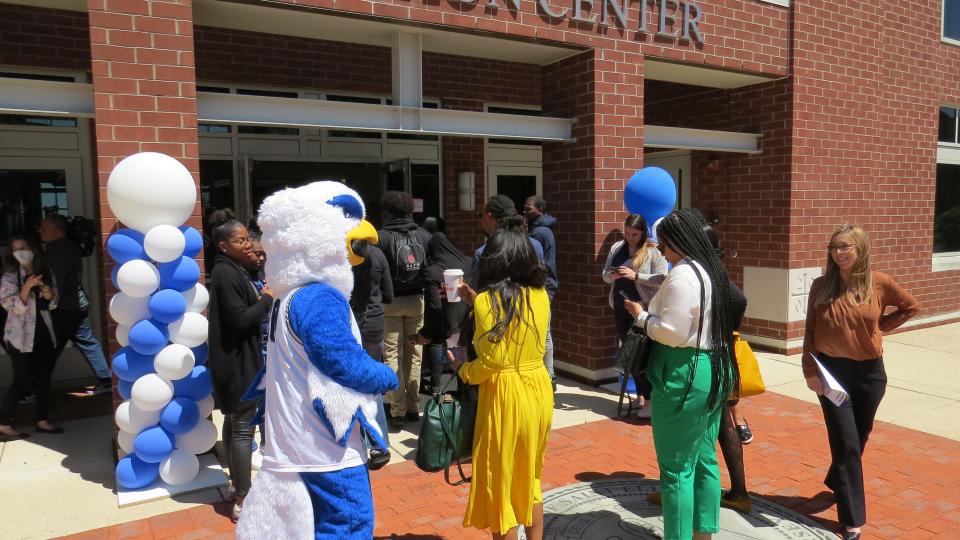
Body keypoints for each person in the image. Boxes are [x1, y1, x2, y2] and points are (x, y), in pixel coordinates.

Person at [624, 209, 738, 540]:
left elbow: (672, 332)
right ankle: (703, 535)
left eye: (664, 242)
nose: (660, 248)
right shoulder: (710, 271)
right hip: (713, 368)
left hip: (685, 372)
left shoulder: (682, 275)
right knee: (704, 460)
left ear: (677, 241)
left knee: (675, 470)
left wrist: (642, 316)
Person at [802, 224, 918, 540]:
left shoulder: (879, 283)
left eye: (845, 247)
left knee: (858, 436)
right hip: (831, 375)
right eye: (834, 247)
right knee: (847, 443)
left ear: (860, 249)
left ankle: (837, 480)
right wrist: (809, 370)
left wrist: (881, 326)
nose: (838, 253)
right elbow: (810, 332)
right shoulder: (821, 285)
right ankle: (852, 519)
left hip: (870, 375)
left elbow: (910, 306)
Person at [450, 229, 553, 540]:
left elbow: (492, 361)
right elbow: (515, 321)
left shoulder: (486, 302)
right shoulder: (541, 296)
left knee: (501, 481)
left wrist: (463, 370)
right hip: (538, 388)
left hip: (504, 395)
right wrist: (476, 301)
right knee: (530, 478)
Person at [207, 218, 274, 522]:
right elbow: (240, 320)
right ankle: (243, 498)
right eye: (240, 241)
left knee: (235, 424)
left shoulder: (234, 269)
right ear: (223, 246)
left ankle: (238, 486)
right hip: (237, 362)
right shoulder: (225, 273)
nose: (247, 245)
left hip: (237, 360)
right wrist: (267, 299)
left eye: (247, 239)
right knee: (244, 427)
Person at [602, 214, 668, 417]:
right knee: (630, 354)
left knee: (643, 354)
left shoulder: (652, 250)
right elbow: (604, 275)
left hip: (643, 308)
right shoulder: (617, 248)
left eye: (635, 234)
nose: (630, 237)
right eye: (627, 233)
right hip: (621, 308)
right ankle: (640, 395)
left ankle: (649, 400)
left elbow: (663, 278)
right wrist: (611, 275)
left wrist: (636, 276)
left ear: (643, 233)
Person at [377, 191, 433, 429]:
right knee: (415, 353)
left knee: (392, 355)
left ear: (387, 211)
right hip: (416, 301)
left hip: (389, 303)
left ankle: (396, 410)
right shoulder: (424, 235)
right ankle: (413, 407)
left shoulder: (380, 237)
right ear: (410, 210)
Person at [39, 214, 112, 395]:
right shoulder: (68, 248)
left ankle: (37, 388)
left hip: (64, 308)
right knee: (87, 341)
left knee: (48, 349)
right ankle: (107, 380)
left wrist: (47, 302)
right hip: (76, 305)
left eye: (44, 227)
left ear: (57, 230)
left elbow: (57, 283)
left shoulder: (59, 252)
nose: (41, 230)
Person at [0, 235, 62, 438]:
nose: (20, 252)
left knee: (43, 379)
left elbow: (53, 303)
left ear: (33, 249)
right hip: (20, 337)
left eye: (23, 247)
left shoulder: (46, 273)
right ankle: (3, 423)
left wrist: (45, 290)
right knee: (22, 380)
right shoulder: (9, 277)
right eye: (16, 249)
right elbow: (11, 306)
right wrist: (26, 286)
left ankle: (42, 420)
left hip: (43, 334)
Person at [350, 242, 393, 469]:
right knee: (371, 385)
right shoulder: (378, 253)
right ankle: (380, 443)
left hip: (350, 323)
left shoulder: (340, 250)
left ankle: (360, 442)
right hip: (375, 323)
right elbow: (389, 293)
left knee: (349, 384)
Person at [414, 218, 469, 394]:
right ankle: (464, 388)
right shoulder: (467, 262)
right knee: (463, 356)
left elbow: (434, 305)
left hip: (447, 319)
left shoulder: (432, 270)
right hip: (468, 316)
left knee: (441, 347)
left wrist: (427, 331)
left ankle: (437, 385)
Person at [524, 196, 559, 388]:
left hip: (543, 289)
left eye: (528, 209)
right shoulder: (538, 231)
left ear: (540, 210)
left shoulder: (539, 234)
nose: (525, 212)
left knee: (543, 334)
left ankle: (549, 376)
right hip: (544, 287)